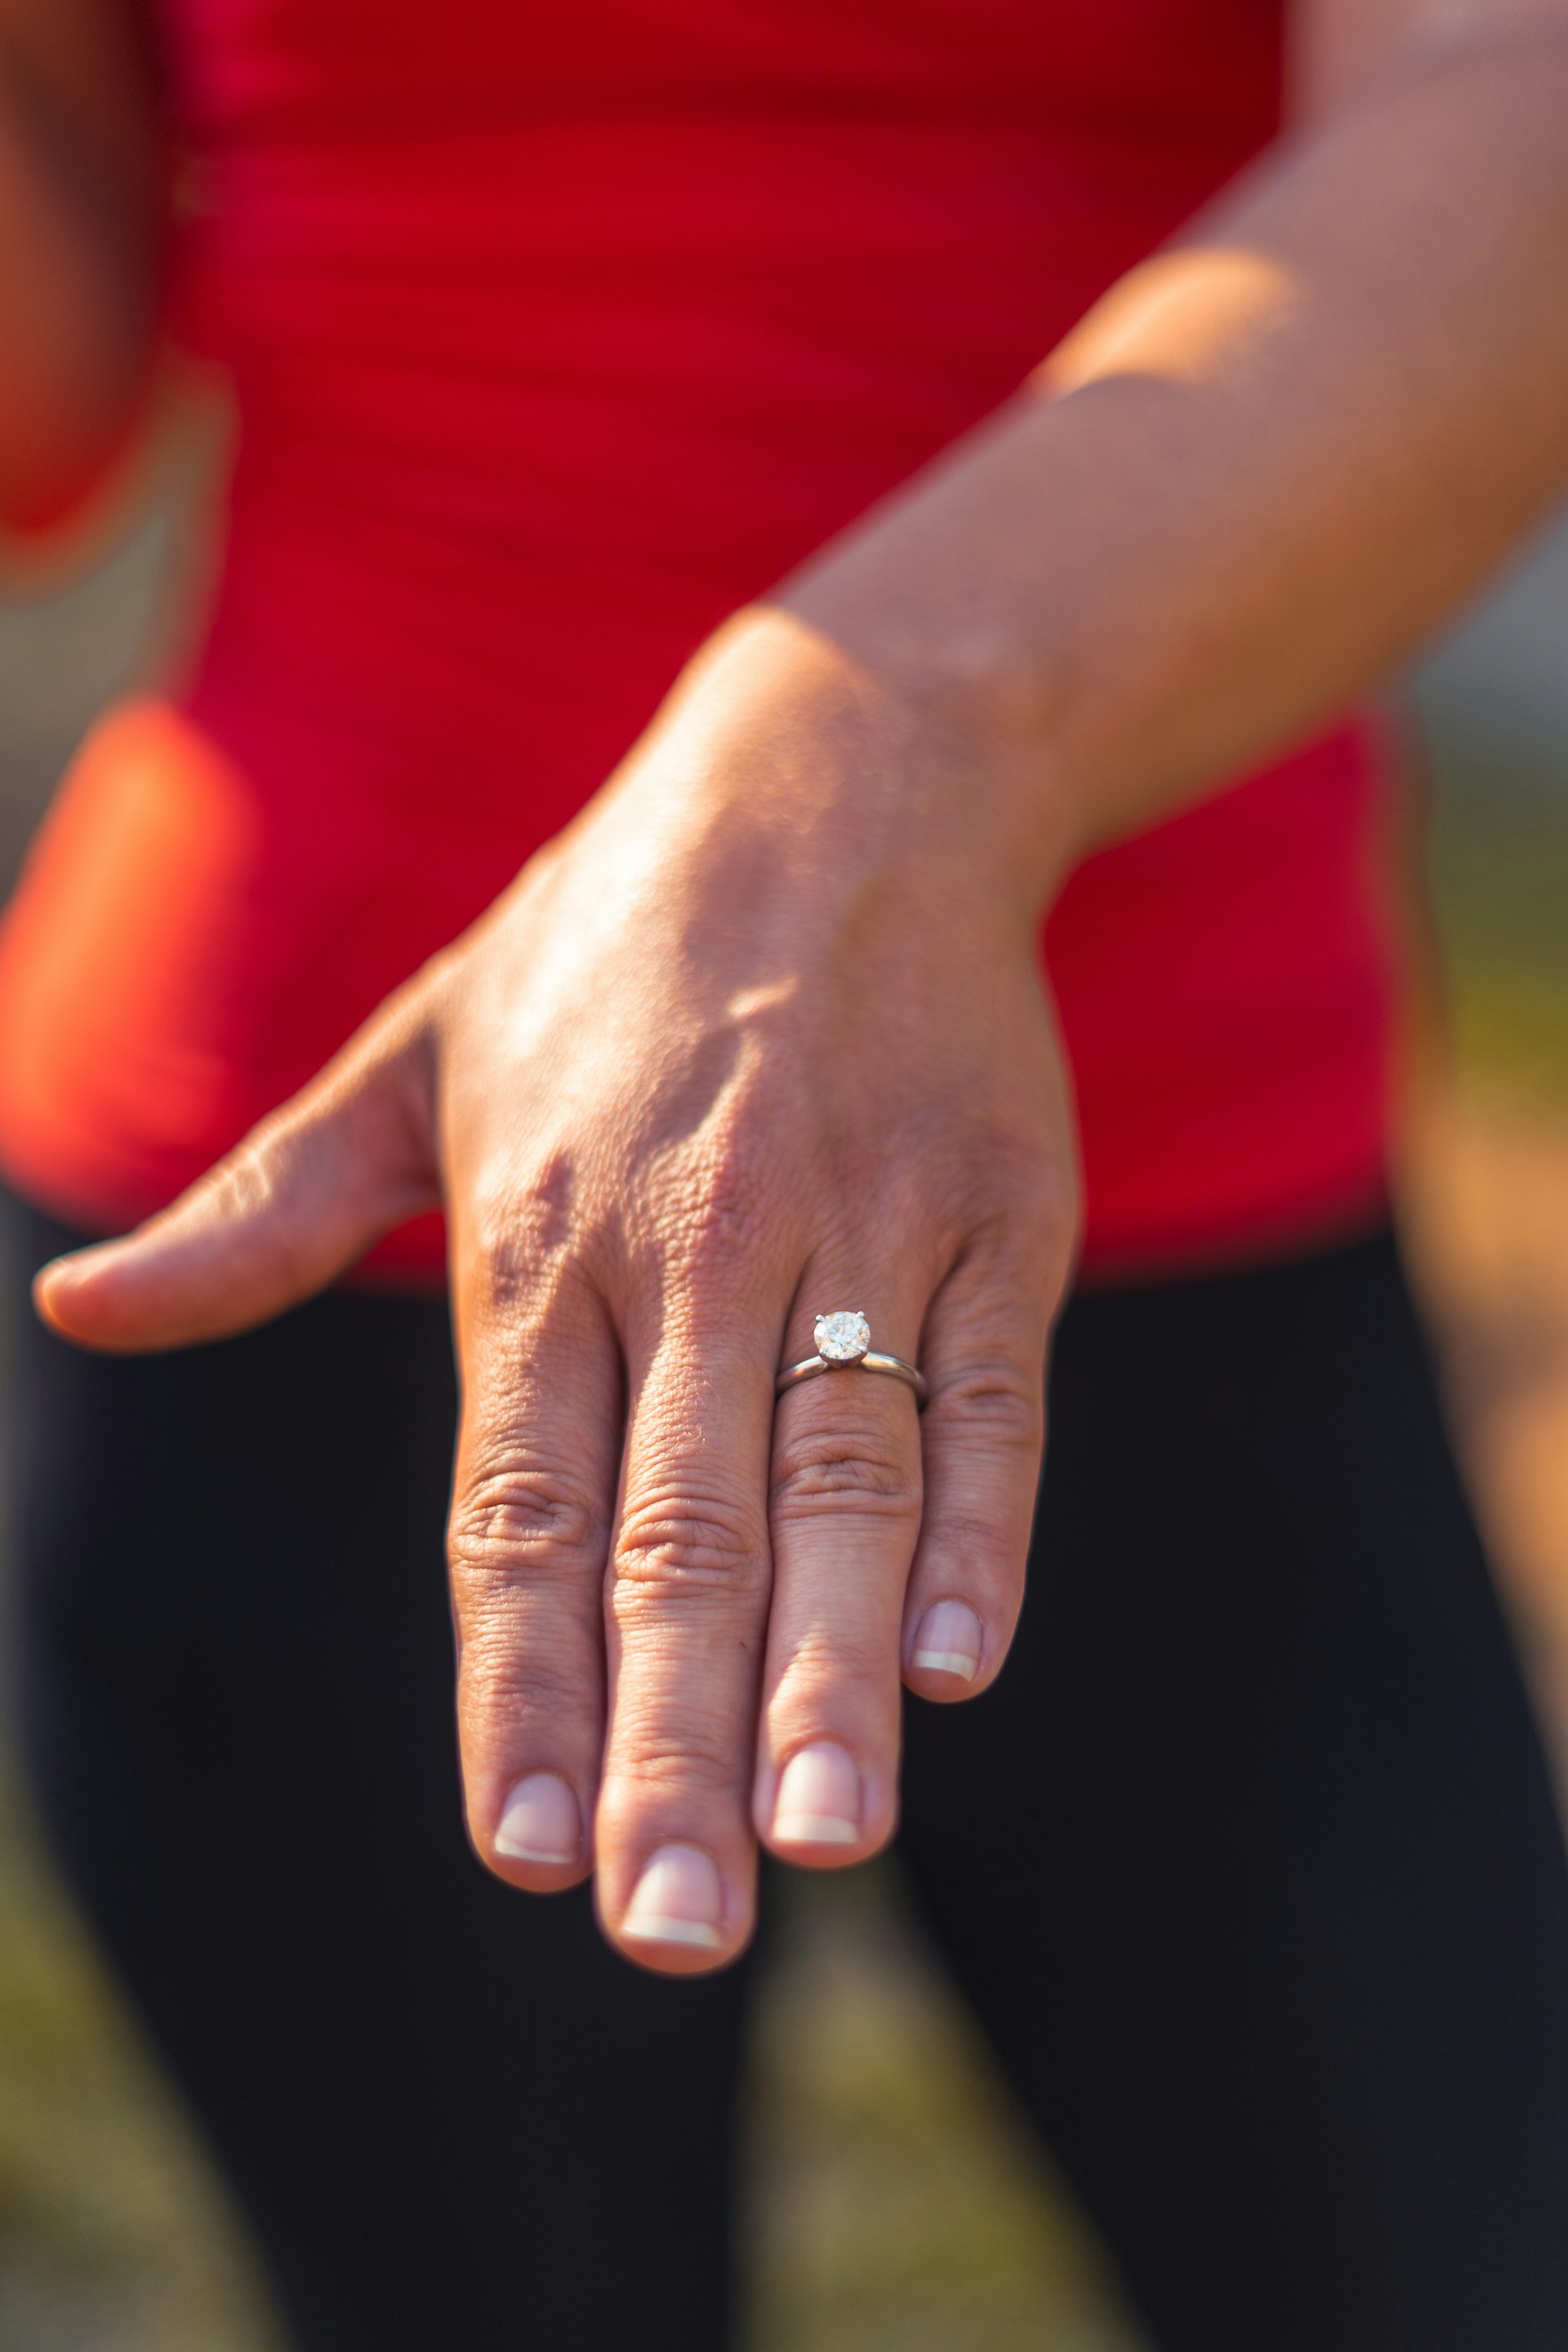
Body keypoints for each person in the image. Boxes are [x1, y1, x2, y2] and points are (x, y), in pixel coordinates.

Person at [3, 0, 1568, 2343]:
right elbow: (62, 390)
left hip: (1171, 1172)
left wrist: (888, 725)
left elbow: (1507, 128)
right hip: (310, 1200)